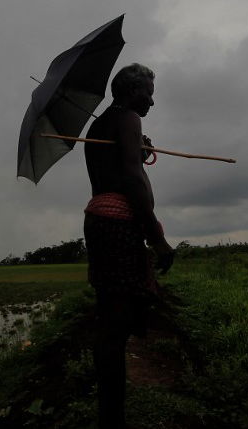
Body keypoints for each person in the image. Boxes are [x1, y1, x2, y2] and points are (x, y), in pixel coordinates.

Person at [83, 63, 175, 429]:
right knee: (114, 325)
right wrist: (157, 237)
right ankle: (112, 417)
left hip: (103, 223)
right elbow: (132, 180)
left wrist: (136, 148)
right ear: (128, 91)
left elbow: (123, 167)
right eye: (146, 92)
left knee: (112, 320)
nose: (151, 101)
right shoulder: (126, 119)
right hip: (117, 226)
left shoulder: (103, 124)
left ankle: (111, 412)